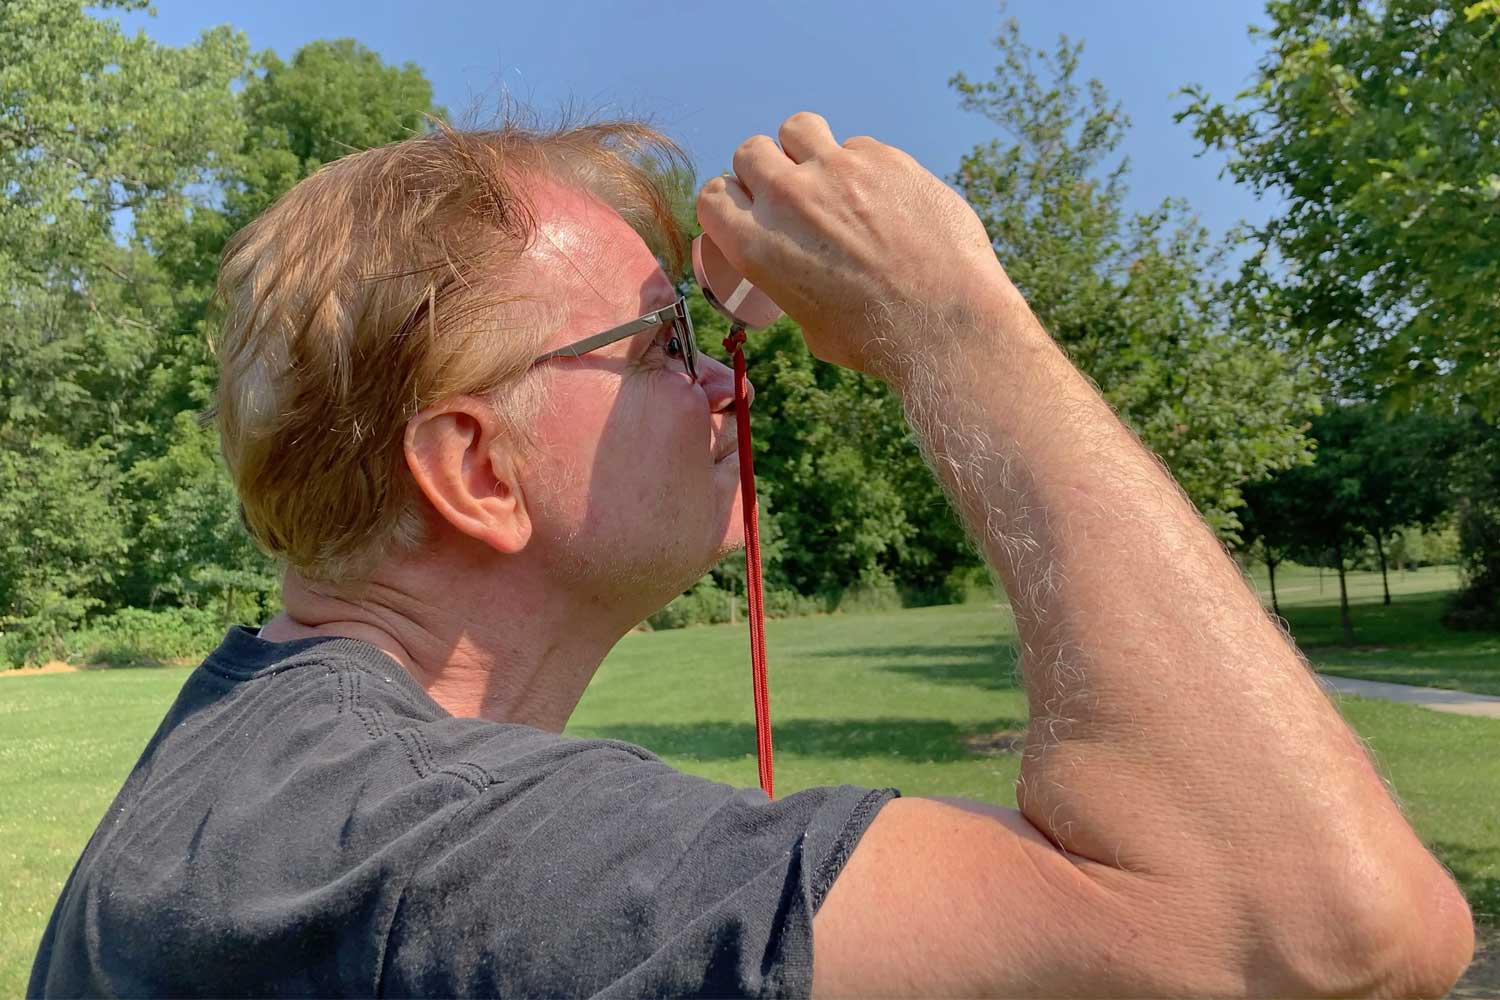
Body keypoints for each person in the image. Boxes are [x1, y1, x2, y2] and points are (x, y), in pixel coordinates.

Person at [29, 111, 1471, 998]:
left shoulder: (277, 773)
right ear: (477, 469)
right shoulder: (423, 851)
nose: (732, 383)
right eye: (661, 345)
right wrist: (950, 324)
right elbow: (1323, 923)